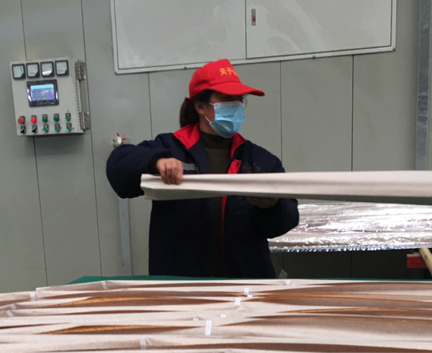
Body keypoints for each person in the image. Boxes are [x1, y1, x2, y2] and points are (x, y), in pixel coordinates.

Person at [106, 59, 298, 278]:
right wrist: (156, 162)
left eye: (239, 100)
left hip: (245, 287)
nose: (235, 105)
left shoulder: (259, 161)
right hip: (183, 287)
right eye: (226, 99)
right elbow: (118, 166)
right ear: (200, 106)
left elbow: (286, 221)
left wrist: (272, 206)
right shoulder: (170, 148)